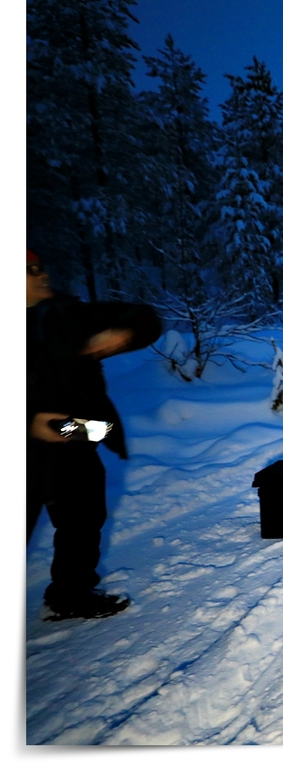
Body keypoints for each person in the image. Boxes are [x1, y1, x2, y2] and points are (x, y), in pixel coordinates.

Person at [27, 250, 162, 620]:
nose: (42, 275)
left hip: (71, 431)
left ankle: (71, 592)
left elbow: (145, 317)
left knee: (85, 512)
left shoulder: (62, 313)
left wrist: (125, 332)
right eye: (29, 270)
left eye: (42, 266)